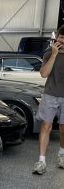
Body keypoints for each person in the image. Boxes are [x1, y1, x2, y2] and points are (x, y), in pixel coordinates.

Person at [33, 25, 64, 174]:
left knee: (63, 129)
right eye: (61, 37)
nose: (62, 41)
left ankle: (62, 155)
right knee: (46, 126)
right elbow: (44, 74)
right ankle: (41, 161)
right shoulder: (49, 53)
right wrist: (54, 54)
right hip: (50, 94)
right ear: (57, 37)